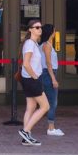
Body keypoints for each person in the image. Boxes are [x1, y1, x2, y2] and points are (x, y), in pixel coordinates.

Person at [17, 19, 49, 147]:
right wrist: (35, 76)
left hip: (29, 79)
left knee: (30, 107)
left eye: (40, 27)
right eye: (36, 27)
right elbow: (26, 63)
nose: (39, 29)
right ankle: (25, 131)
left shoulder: (32, 43)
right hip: (32, 79)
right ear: (30, 29)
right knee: (45, 106)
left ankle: (26, 137)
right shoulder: (30, 44)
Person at [39, 24, 64, 137]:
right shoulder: (47, 46)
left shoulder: (44, 45)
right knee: (52, 102)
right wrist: (53, 79)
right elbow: (48, 63)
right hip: (48, 74)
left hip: (46, 74)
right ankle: (51, 128)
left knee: (47, 102)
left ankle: (51, 126)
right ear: (51, 33)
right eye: (54, 31)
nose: (55, 33)